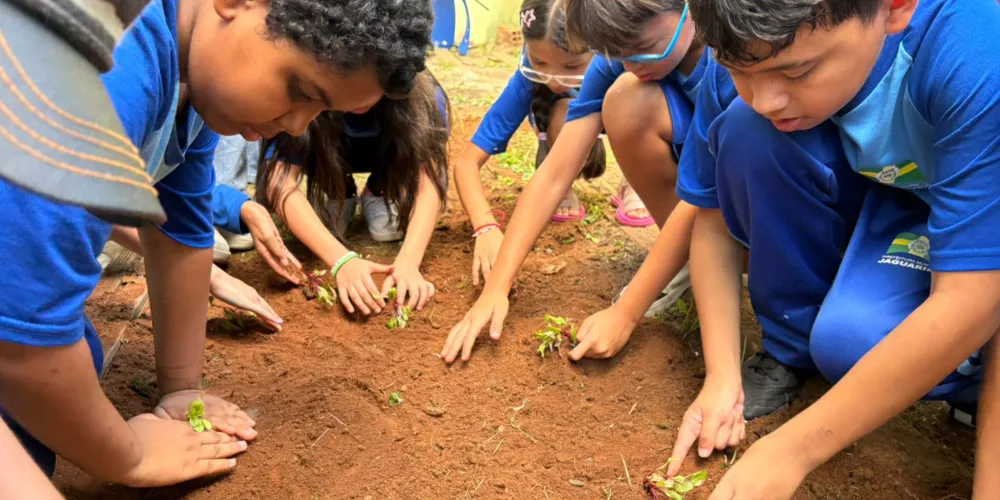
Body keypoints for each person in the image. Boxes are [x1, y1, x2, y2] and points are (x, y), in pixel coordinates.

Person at [0, 0, 434, 487]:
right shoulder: (103, 62)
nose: (298, 126)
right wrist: (129, 457)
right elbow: (21, 339)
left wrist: (182, 390)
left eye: (322, 110)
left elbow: (180, 234)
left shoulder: (195, 80)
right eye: (299, 90)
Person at [664, 0, 1000, 498]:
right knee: (746, 129)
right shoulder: (744, 42)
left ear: (894, 8)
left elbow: (974, 299)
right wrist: (721, 377)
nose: (765, 99)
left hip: (982, 215)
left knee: (877, 339)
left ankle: (974, 383)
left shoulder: (975, 49)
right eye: (738, 71)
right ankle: (796, 345)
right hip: (901, 199)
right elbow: (711, 223)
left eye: (797, 72)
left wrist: (790, 450)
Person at [442, 0, 705, 363]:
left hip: (743, 220)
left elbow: (707, 195)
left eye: (642, 48)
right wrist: (496, 287)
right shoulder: (618, 60)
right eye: (614, 52)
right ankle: (686, 256)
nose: (628, 64)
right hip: (703, 200)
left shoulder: (730, 67)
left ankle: (699, 257)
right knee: (627, 97)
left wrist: (626, 312)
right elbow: (553, 174)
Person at [256, 71, 450, 316]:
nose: (359, 94)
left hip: (386, 153)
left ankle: (380, 187)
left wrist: (409, 261)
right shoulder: (302, 88)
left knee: (385, 224)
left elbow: (429, 182)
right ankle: (338, 189)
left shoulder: (424, 95)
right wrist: (341, 260)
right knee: (328, 224)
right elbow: (279, 181)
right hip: (331, 152)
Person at [454, 0, 608, 284]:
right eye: (539, 63)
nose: (555, 79)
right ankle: (563, 182)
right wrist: (486, 227)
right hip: (562, 116)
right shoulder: (527, 80)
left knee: (633, 104)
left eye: (572, 65)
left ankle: (633, 186)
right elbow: (466, 163)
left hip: (620, 114)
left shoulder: (622, 64)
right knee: (565, 111)